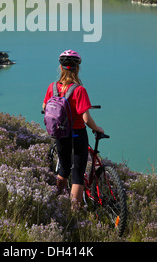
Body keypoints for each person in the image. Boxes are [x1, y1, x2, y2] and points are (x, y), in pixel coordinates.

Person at [42, 49, 104, 209]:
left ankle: (57, 197)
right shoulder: (79, 90)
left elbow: (44, 106)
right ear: (77, 68)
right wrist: (98, 129)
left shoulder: (52, 87)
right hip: (77, 134)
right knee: (77, 174)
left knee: (63, 167)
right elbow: (85, 118)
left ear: (61, 67)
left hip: (60, 134)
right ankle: (74, 214)